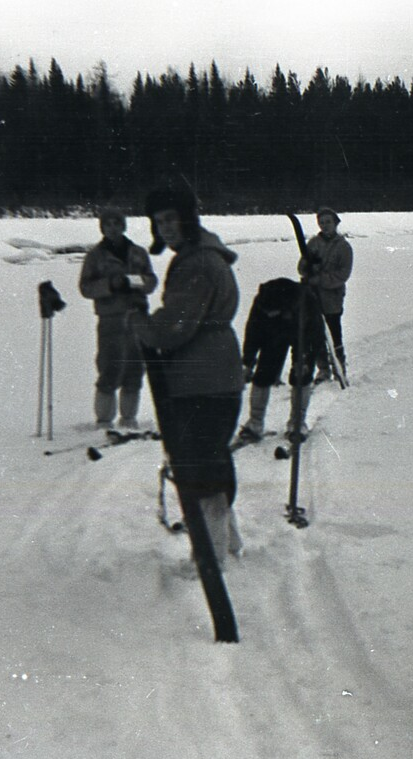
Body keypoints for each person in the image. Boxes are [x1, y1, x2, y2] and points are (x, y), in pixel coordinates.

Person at [128, 187, 244, 566]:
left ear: (188, 219)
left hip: (202, 376)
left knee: (199, 466)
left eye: (170, 219)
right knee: (212, 458)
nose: (165, 229)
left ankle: (210, 559)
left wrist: (140, 323)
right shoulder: (206, 256)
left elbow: (174, 327)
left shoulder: (196, 263)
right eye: (158, 222)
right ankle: (227, 542)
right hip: (215, 372)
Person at [78, 206, 158, 430]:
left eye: (116, 224)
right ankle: (104, 421)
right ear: (102, 228)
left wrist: (131, 282)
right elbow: (85, 287)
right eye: (107, 225)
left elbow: (151, 281)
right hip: (110, 319)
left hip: (137, 317)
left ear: (123, 226)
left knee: (135, 369)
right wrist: (109, 285)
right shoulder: (95, 256)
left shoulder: (138, 253)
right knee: (109, 367)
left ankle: (129, 420)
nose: (112, 229)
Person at [237, 277, 325, 443]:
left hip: (303, 334)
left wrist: (304, 361)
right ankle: (255, 422)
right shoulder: (262, 302)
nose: (268, 314)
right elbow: (253, 332)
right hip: (275, 333)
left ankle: (297, 423)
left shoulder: (306, 303)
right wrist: (248, 362)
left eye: (272, 312)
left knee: (301, 376)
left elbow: (314, 337)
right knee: (263, 374)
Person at [298, 206, 353, 381]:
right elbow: (301, 267)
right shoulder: (313, 243)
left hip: (332, 298)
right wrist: (308, 268)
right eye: (321, 222)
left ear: (335, 223)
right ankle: (323, 368)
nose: (325, 225)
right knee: (316, 334)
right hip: (312, 297)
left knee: (334, 333)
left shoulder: (344, 247)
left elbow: (342, 275)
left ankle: (339, 367)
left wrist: (320, 279)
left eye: (328, 222)